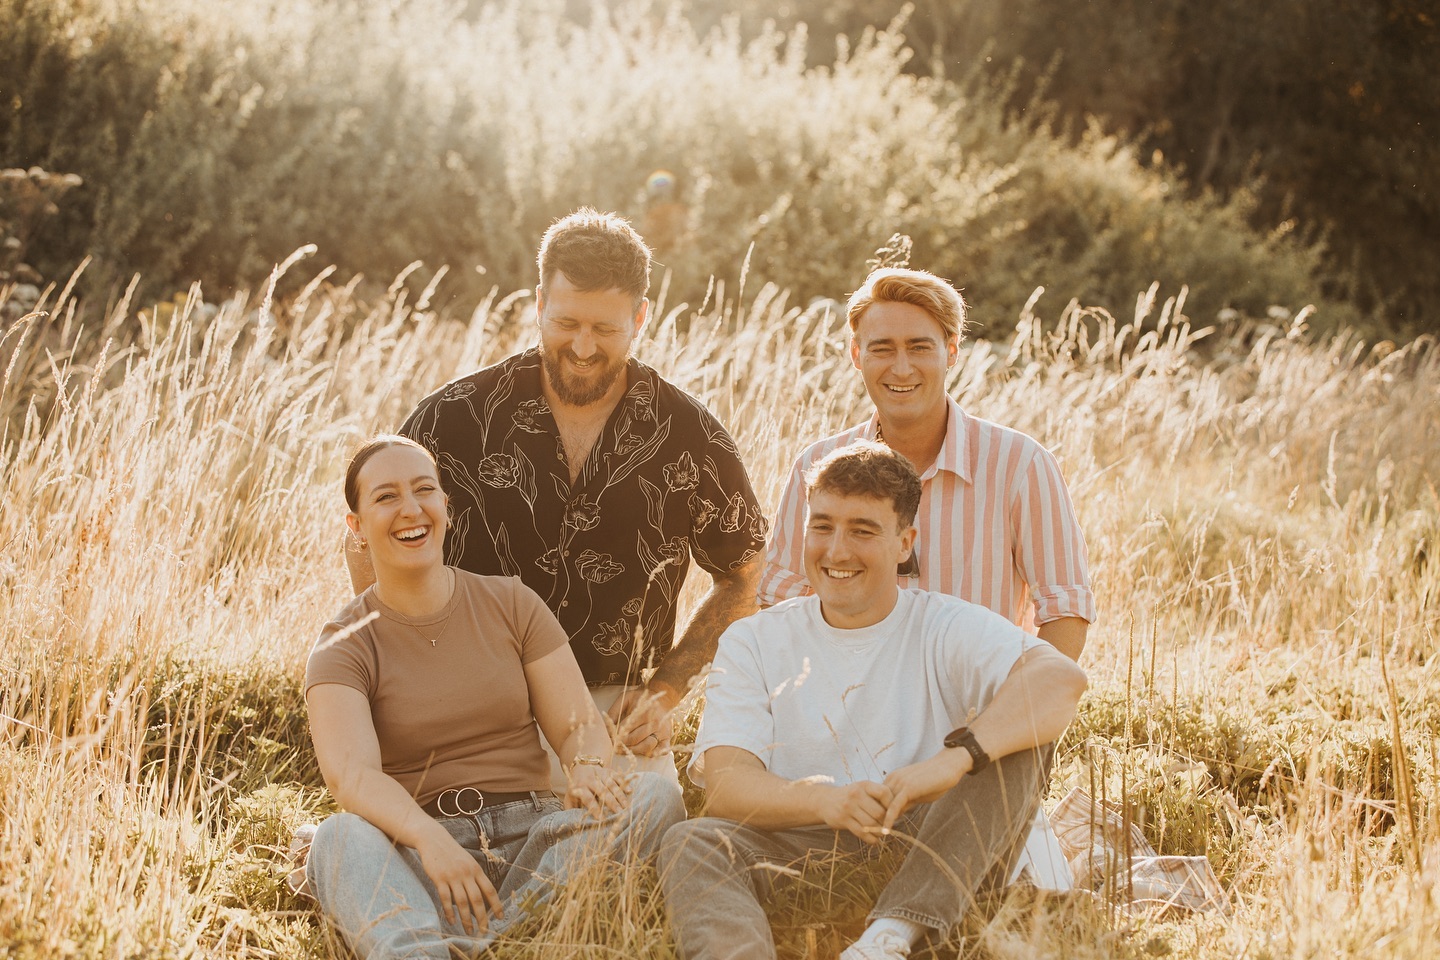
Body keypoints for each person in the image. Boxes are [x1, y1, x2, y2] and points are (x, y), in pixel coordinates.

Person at [350, 208, 765, 787]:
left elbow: (745, 574)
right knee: (430, 828)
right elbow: (367, 540)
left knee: (646, 823)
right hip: (468, 704)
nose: (583, 347)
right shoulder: (452, 418)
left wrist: (665, 691)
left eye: (605, 329)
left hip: (613, 710)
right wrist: (415, 674)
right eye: (566, 322)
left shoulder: (690, 434)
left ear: (640, 316)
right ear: (540, 303)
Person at [658, 443, 1088, 960]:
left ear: (904, 543)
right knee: (691, 842)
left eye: (862, 531)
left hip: (931, 842)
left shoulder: (943, 623)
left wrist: (953, 760)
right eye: (822, 527)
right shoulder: (754, 639)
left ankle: (891, 935)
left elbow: (1060, 678)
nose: (837, 551)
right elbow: (728, 787)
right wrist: (828, 802)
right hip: (802, 845)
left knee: (1019, 742)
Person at [756, 267, 1095, 885]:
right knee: (807, 877)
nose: (901, 367)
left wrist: (1005, 727)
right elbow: (779, 607)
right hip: (844, 739)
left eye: (920, 347)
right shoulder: (817, 466)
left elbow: (1065, 612)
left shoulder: (1019, 464)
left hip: (974, 747)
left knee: (1030, 890)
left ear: (952, 351)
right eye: (881, 348)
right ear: (856, 354)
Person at [307, 436, 685, 960]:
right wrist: (430, 840)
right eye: (386, 497)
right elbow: (352, 776)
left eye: (424, 490)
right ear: (357, 526)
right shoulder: (343, 643)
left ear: (446, 506)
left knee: (654, 797)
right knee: (338, 839)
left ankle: (475, 943)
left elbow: (576, 726)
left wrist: (588, 768)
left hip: (537, 839)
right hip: (423, 856)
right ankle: (490, 940)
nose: (411, 509)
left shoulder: (510, 602)